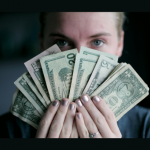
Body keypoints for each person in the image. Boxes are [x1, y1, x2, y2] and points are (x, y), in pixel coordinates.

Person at [0, 12, 150, 138]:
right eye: (62, 42)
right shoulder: (8, 131)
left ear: (119, 44)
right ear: (42, 45)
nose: (78, 58)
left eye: (97, 42)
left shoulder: (146, 126)